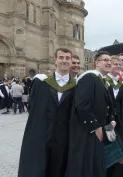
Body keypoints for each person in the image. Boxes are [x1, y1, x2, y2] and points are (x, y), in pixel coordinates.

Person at [18, 48, 76, 177]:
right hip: (43, 134)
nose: (64, 61)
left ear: (71, 62)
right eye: (61, 57)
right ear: (55, 60)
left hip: (64, 137)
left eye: (67, 58)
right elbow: (33, 108)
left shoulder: (77, 86)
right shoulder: (41, 83)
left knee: (59, 169)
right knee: (39, 168)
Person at [66, 50, 120, 177]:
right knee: (87, 165)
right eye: (105, 60)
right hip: (87, 131)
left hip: (99, 128)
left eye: (109, 61)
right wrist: (95, 127)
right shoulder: (89, 77)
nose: (108, 63)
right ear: (96, 63)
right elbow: (82, 105)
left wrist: (110, 119)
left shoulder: (101, 80)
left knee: (97, 164)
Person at [106, 55, 123, 177]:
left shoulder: (121, 84)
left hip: (121, 123)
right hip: (107, 123)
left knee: (121, 153)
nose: (117, 66)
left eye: (118, 64)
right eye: (114, 63)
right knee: (110, 153)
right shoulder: (103, 81)